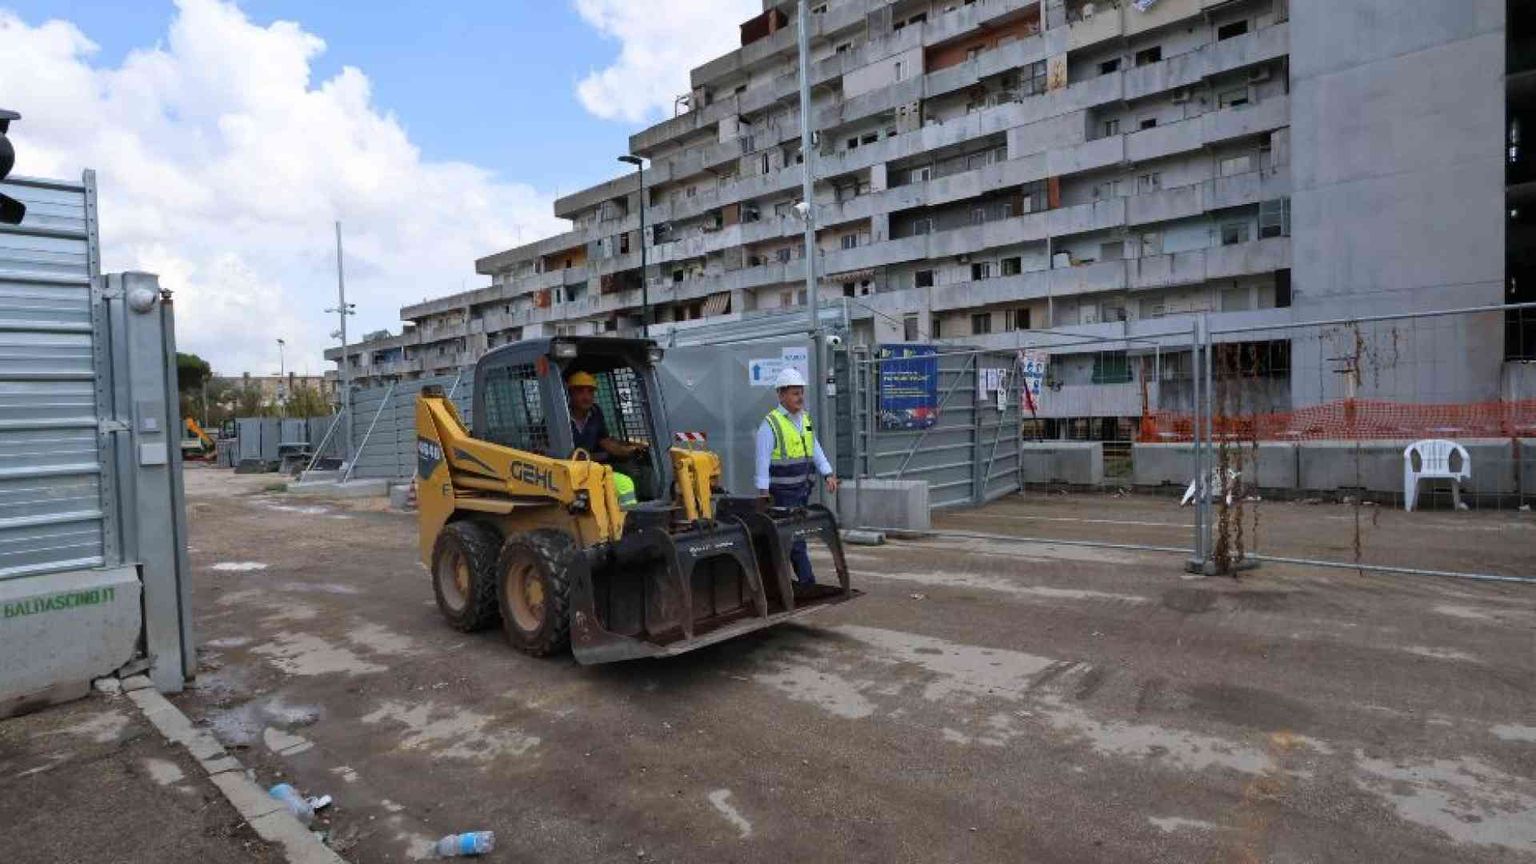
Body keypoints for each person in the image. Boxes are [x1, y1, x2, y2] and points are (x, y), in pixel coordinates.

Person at [754, 366, 839, 585]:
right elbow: (762, 461)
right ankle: (807, 582)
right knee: (795, 539)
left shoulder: (805, 419)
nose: (800, 397)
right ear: (781, 395)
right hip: (781, 494)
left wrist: (827, 473)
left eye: (801, 392)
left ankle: (779, 580)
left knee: (792, 537)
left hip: (802, 490)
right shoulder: (770, 424)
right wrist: (763, 494)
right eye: (794, 393)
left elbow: (815, 448)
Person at [566, 371, 647, 508]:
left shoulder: (595, 412)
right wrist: (602, 455)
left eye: (590, 392)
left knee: (632, 470)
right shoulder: (559, 417)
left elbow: (605, 441)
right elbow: (566, 457)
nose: (586, 397)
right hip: (570, 472)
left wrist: (627, 450)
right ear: (570, 394)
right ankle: (629, 516)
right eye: (580, 391)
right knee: (624, 483)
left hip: (593, 467)